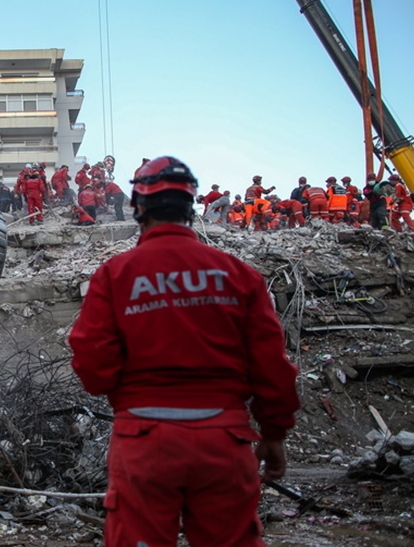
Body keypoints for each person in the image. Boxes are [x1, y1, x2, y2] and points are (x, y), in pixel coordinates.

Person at [69, 156, 300, 546]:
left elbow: (92, 360)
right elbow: (271, 366)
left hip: (143, 438)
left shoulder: (116, 274)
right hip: (224, 442)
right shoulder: (238, 274)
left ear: (138, 208)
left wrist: (125, 394)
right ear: (190, 207)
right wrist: (274, 434)